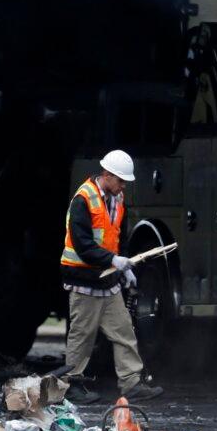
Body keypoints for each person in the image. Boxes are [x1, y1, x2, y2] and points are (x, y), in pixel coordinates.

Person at [59, 149, 163, 403]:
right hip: (84, 282)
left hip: (107, 282)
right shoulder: (83, 200)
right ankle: (71, 385)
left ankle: (131, 383)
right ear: (106, 175)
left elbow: (118, 239)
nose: (123, 185)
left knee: (124, 331)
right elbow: (83, 245)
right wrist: (113, 261)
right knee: (82, 336)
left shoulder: (117, 200)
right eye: (120, 180)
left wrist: (124, 268)